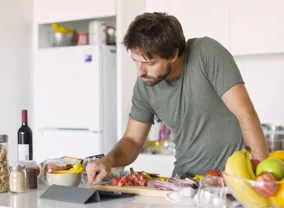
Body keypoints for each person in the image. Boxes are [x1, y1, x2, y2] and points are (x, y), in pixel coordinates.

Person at [86, 12, 268, 186]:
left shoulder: (206, 53)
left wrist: (261, 179)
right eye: (136, 61)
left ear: (173, 55)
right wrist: (108, 161)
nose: (140, 72)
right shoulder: (144, 85)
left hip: (232, 179)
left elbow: (245, 113)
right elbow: (133, 141)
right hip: (184, 183)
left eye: (149, 63)